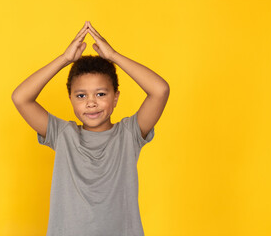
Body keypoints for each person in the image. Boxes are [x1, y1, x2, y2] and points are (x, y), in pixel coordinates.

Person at [11, 21, 170, 236]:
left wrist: (113, 55)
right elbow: (21, 98)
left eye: (101, 94)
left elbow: (160, 90)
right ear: (71, 99)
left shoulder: (129, 134)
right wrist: (64, 59)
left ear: (116, 98)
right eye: (81, 95)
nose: (91, 102)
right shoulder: (62, 134)